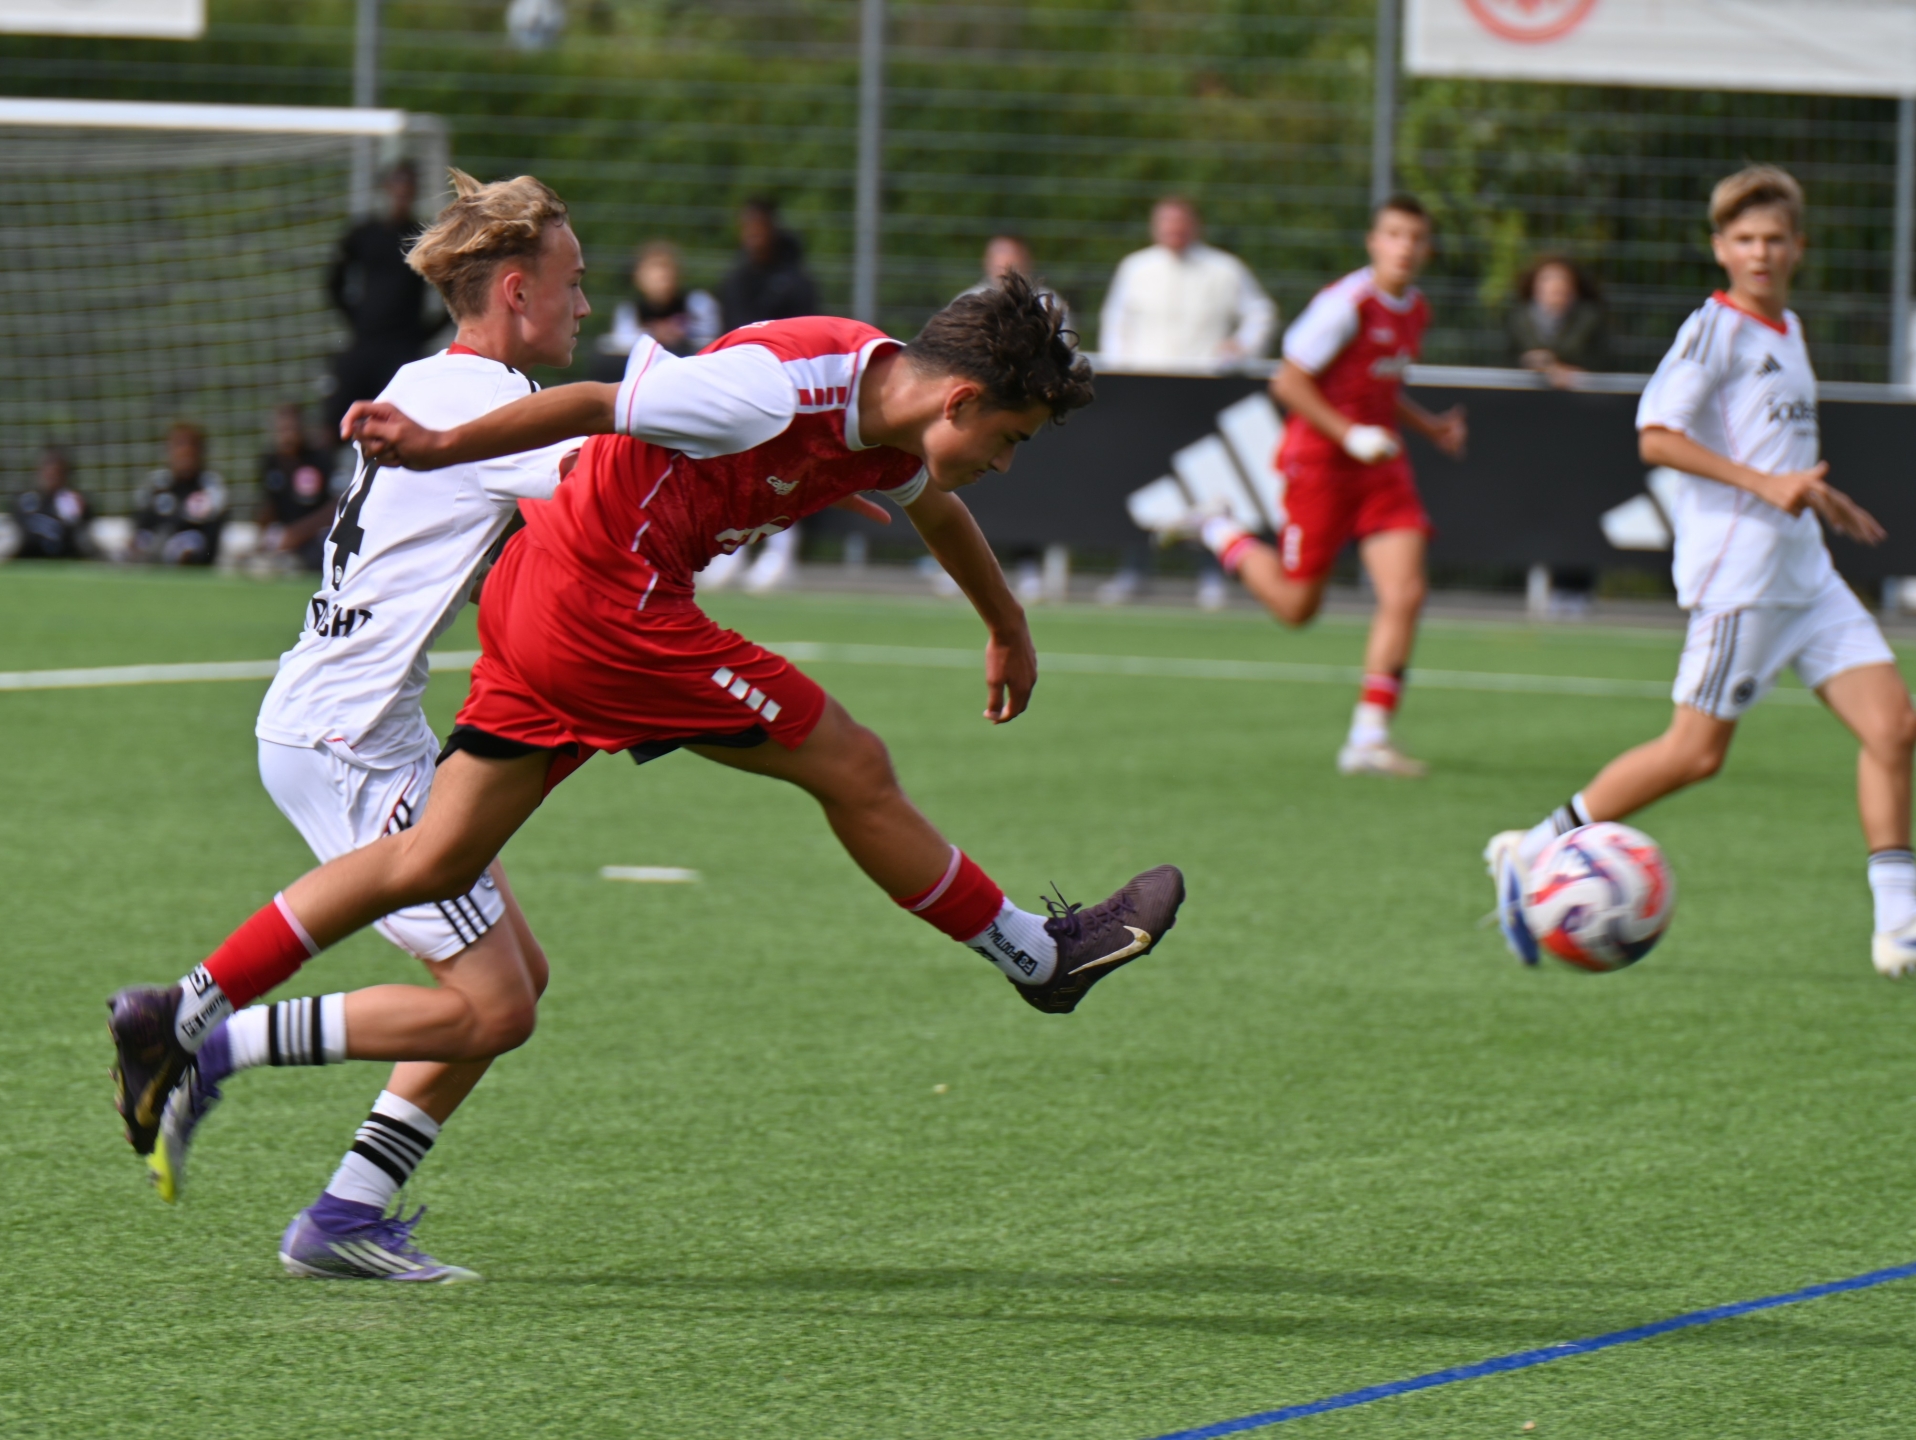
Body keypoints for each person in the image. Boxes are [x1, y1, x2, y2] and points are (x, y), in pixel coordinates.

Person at [108, 278, 1187, 1254]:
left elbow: (933, 505)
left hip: (547, 597)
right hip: (608, 608)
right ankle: (1037, 960)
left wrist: (1007, 622)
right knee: (851, 763)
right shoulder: (775, 388)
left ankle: (185, 1018)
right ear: (961, 399)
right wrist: (438, 447)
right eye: (1010, 440)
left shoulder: (893, 420)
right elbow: (593, 403)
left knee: (435, 861)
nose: (1005, 464)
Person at [128, 170, 591, 1283]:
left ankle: (347, 1212)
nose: (586, 304)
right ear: (517, 291)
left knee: (514, 986)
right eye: (573, 282)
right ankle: (207, 1042)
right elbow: (620, 478)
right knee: (494, 1006)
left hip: (344, 721)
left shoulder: (424, 378)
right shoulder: (492, 406)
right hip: (350, 739)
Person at [1485, 167, 1912, 974]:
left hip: (1806, 574)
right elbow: (1656, 436)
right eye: (1744, 239)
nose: (1761, 253)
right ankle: (1533, 848)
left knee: (1894, 727)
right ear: (1720, 248)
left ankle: (1900, 928)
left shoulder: (1788, 328)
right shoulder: (1714, 330)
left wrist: (1812, 495)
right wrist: (1768, 486)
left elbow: (1772, 445)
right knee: (1695, 753)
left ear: (1798, 247)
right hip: (1740, 579)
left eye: (1774, 239)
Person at [1152, 195, 1465, 775]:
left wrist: (1430, 427)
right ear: (1373, 241)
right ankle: (1218, 528)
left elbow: (1378, 385)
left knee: (1406, 592)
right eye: (1394, 234)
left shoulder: (1415, 309)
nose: (1404, 247)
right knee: (1297, 608)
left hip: (1380, 468)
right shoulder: (1345, 304)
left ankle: (1368, 739)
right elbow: (1289, 383)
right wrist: (1349, 435)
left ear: (1427, 249)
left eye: (1416, 238)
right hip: (1320, 465)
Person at [325, 161, 441, 434]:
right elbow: (333, 281)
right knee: (334, 419)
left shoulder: (424, 238)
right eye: (397, 184)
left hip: (403, 347)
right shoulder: (363, 234)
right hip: (366, 342)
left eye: (407, 185)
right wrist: (357, 319)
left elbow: (454, 285)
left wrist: (423, 333)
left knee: (404, 417)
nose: (401, 192)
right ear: (386, 188)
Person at [1097, 195, 1275, 368]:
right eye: (1167, 220)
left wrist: (1242, 346)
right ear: (1154, 226)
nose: (1174, 227)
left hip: (1206, 375)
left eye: (1181, 220)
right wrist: (1119, 367)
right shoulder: (1135, 268)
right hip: (1147, 374)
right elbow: (1115, 322)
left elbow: (1260, 312)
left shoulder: (1225, 269)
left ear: (1196, 225)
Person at [595, 242, 721, 373]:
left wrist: (681, 336)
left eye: (665, 267)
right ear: (638, 276)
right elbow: (622, 344)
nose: (661, 275)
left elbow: (710, 338)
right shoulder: (631, 310)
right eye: (653, 268)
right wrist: (654, 335)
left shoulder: (696, 302)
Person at [255, 404, 337, 573]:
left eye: (291, 429)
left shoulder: (320, 459)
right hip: (284, 536)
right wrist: (260, 537)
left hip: (315, 535)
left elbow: (334, 508)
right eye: (282, 430)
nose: (287, 436)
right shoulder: (271, 463)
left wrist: (296, 534)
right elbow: (270, 506)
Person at [132, 423, 228, 566]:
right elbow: (141, 524)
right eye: (179, 444)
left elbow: (210, 533)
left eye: (191, 445)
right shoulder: (155, 484)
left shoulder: (210, 486)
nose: (185, 451)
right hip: (155, 548)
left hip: (193, 553)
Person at [719, 196, 821, 328]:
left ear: (771, 229)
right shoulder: (735, 282)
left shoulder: (796, 283)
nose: (753, 234)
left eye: (758, 227)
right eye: (747, 228)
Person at [1507, 254, 1608, 387]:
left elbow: (1602, 363)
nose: (1556, 285)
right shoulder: (1517, 320)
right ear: (1534, 286)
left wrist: (1560, 368)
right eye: (1547, 279)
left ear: (1574, 287)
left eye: (1563, 278)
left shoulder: (1590, 320)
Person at [958, 234, 1070, 333]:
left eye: (1012, 261)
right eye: (1000, 260)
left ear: (1027, 261)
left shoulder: (1048, 303)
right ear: (986, 262)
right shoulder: (966, 302)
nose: (1005, 271)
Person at [11, 445, 90, 559]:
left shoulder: (75, 503)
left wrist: (79, 515)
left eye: (56, 474)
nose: (51, 477)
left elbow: (78, 536)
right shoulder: (25, 501)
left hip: (64, 557)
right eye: (48, 473)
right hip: (26, 557)